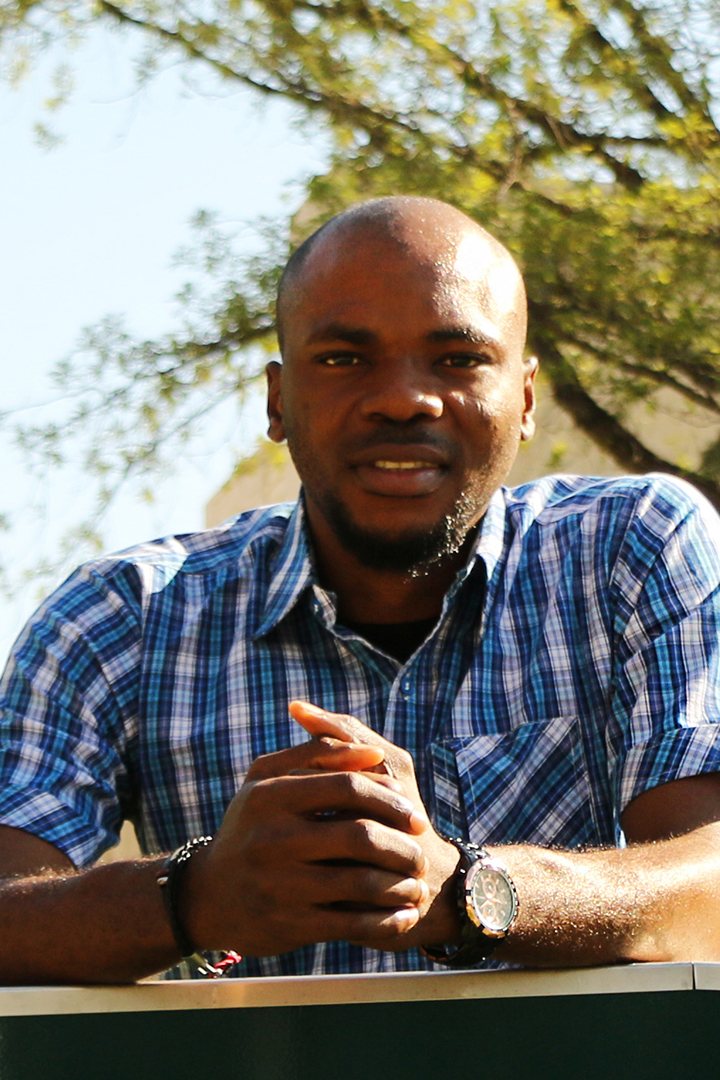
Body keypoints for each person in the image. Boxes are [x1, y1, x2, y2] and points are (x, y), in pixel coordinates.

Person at [2, 196, 720, 985]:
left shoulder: (636, 547)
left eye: (459, 358)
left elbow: (708, 889)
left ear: (524, 398)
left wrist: (467, 890)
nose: (403, 398)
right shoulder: (121, 617)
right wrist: (196, 896)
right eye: (345, 358)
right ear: (279, 401)